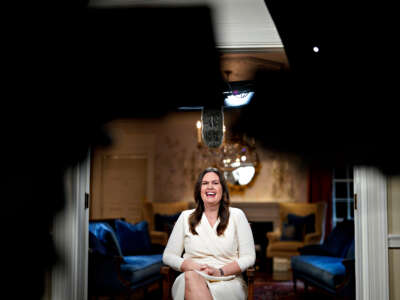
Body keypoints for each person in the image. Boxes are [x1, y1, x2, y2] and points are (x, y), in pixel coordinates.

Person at [162, 167, 256, 300]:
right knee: (191, 277)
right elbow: (168, 255)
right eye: (205, 183)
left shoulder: (237, 215)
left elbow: (249, 257)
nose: (210, 187)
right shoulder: (185, 217)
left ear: (222, 190)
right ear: (199, 190)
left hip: (228, 280)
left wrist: (220, 271)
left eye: (215, 183)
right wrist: (188, 265)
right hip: (190, 276)